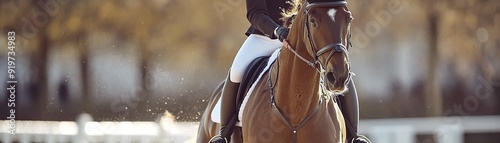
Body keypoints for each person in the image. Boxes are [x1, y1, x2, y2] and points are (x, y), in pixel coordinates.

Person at [209, 0, 367, 143]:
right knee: (237, 70)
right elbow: (255, 13)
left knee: (341, 71)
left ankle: (353, 137)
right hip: (266, 36)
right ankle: (224, 135)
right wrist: (277, 30)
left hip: (306, 37)